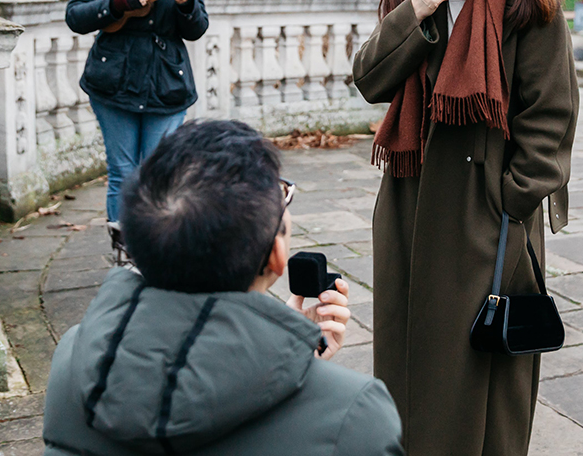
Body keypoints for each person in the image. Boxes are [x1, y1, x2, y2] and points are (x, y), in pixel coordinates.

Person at [352, 0, 578, 455]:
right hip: (409, 204)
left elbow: (551, 116)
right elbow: (369, 78)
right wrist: (417, 10)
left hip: (487, 214)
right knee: (409, 351)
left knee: (479, 366)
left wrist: (510, 198)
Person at [42, 119, 404, 456]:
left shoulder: (74, 360)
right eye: (283, 195)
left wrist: (284, 349)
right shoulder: (355, 416)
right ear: (277, 254)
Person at [65, 0, 208, 229]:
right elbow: (76, 16)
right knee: (123, 173)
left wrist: (187, 5)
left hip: (166, 82)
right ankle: (125, 256)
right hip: (113, 79)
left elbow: (197, 28)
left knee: (157, 173)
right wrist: (119, 2)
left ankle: (154, 253)